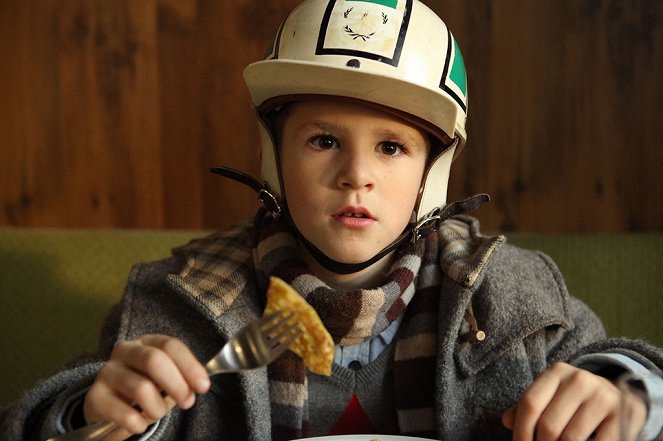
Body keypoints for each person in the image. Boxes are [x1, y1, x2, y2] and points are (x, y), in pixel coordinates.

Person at [1, 0, 662, 440]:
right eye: (322, 141)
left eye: (390, 146)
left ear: (433, 170)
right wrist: (89, 414)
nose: (356, 175)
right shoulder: (177, 301)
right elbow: (40, 422)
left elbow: (630, 374)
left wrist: (626, 396)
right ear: (274, 154)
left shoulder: (509, 291)